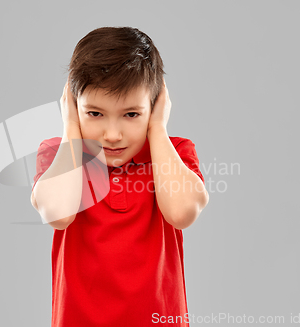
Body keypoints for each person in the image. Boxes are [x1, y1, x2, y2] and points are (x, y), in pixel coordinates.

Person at [31, 26, 209, 327]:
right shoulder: (59, 155)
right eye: (95, 114)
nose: (112, 135)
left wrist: (159, 131)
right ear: (74, 107)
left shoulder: (174, 152)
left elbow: (181, 213)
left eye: (131, 115)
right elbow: (57, 213)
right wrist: (71, 130)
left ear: (154, 108)